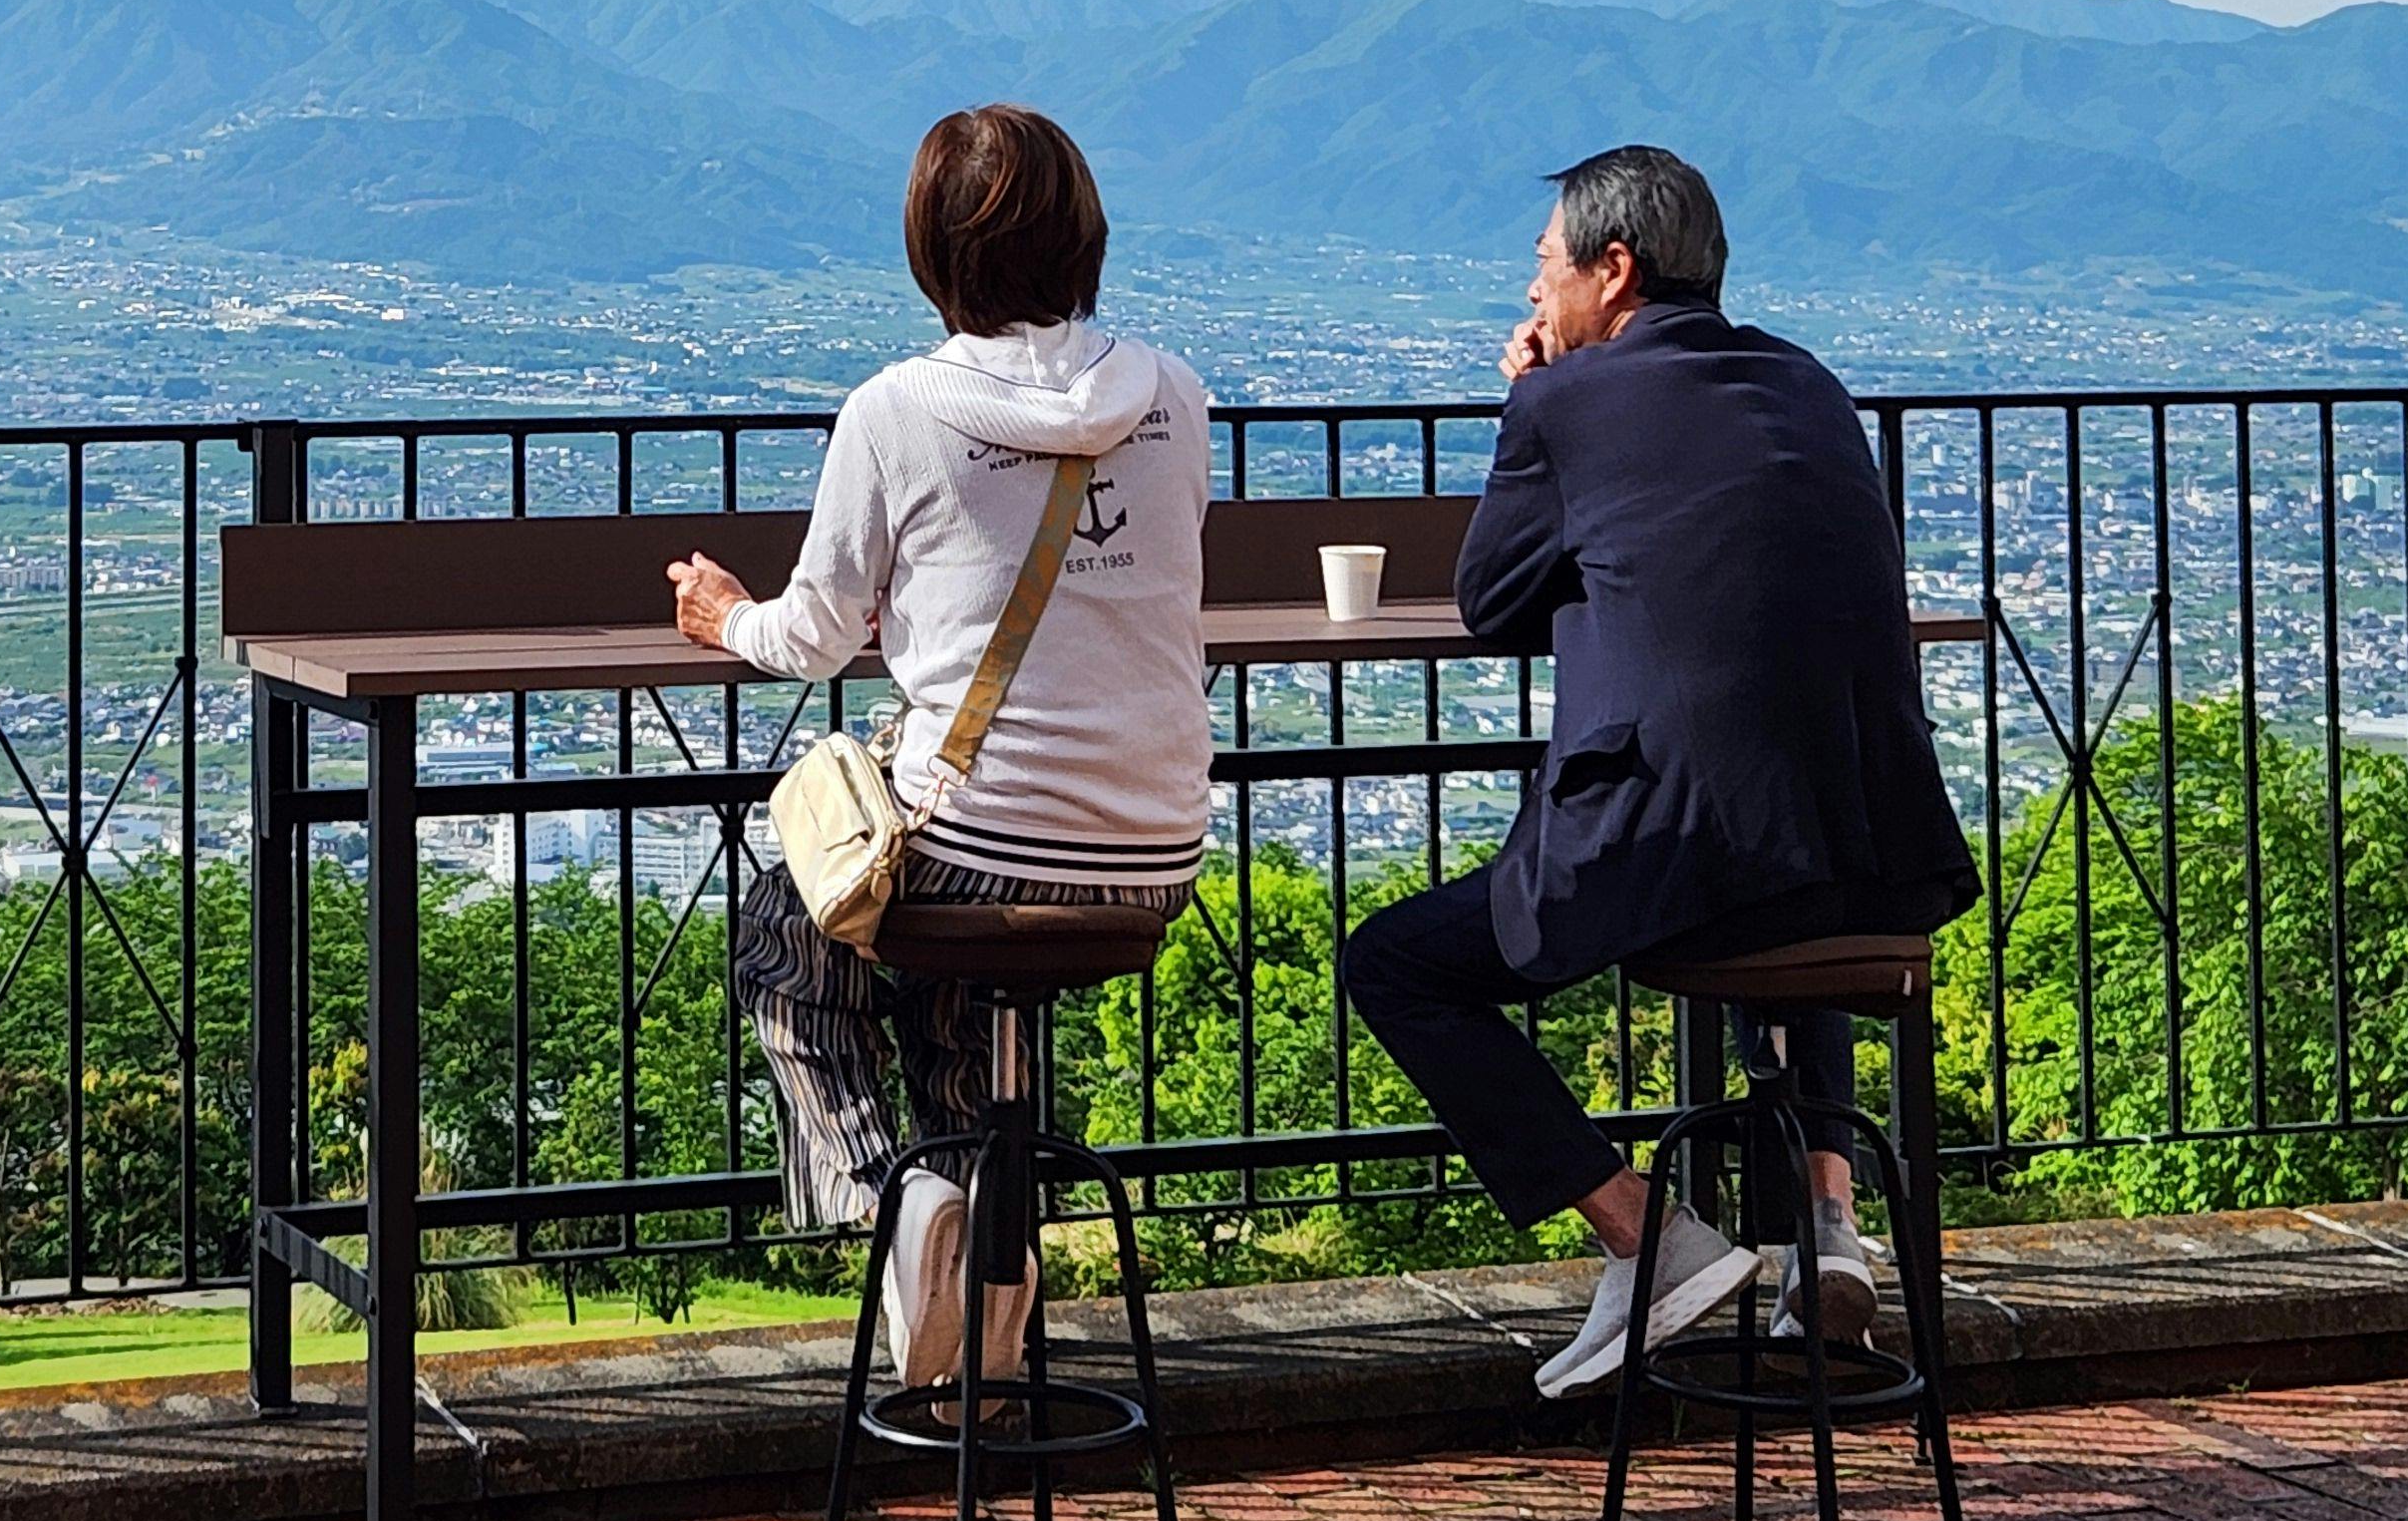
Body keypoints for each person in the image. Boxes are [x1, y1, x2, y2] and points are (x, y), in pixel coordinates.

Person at [1338, 144, 1977, 1398]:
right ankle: (1826, 1226)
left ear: (1611, 270)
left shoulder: (1566, 401)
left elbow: (1489, 600)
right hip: (1874, 853)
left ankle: (1646, 1234)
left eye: (1541, 275)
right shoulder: (1809, 382)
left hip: (1682, 852)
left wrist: (1532, 406)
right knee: (1770, 848)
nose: (1533, 303)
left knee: (1397, 964)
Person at [670, 104, 1211, 1385]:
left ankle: (896, 1200)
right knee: (970, 994)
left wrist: (718, 614)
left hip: (980, 842)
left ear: (934, 252)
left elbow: (812, 634)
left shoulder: (899, 409)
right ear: (1084, 236)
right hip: (1152, 855)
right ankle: (995, 1307)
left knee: (781, 932)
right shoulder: (1175, 396)